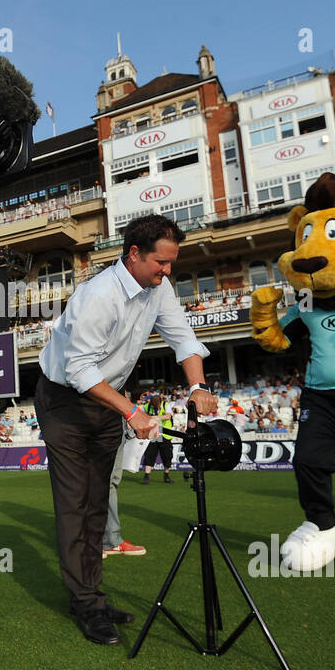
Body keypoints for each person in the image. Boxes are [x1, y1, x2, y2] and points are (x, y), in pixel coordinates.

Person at [35, 214, 217, 646]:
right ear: (134, 253)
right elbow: (78, 368)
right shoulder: (97, 295)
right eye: (161, 263)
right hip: (64, 400)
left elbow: (183, 339)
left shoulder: (159, 287)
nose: (167, 271)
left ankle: (91, 596)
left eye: (172, 263)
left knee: (99, 501)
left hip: (105, 398)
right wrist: (132, 412)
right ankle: (85, 604)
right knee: (75, 503)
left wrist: (198, 386)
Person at [103, 392, 146, 559]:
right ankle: (93, 540)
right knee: (92, 480)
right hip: (96, 413)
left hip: (115, 414)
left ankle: (110, 540)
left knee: (110, 482)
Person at [139, 393, 175, 484]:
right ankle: (146, 476)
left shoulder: (165, 405)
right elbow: (141, 416)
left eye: (157, 404)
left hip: (164, 434)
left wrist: (155, 417)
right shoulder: (146, 406)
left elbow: (168, 416)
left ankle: (166, 475)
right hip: (153, 434)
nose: (156, 406)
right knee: (150, 455)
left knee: (167, 455)